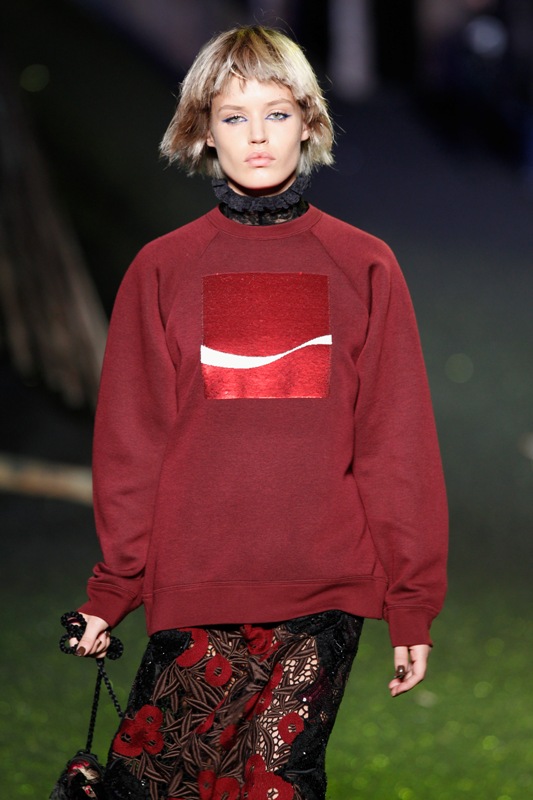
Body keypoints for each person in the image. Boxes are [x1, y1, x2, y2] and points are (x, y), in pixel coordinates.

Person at [71, 25, 448, 800]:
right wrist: (114, 589)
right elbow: (134, 443)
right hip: (200, 583)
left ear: (308, 122)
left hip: (323, 593)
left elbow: (395, 442)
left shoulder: (363, 264)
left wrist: (410, 603)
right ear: (203, 131)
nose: (257, 136)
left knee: (277, 787)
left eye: (275, 113)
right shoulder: (163, 270)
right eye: (234, 116)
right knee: (152, 788)